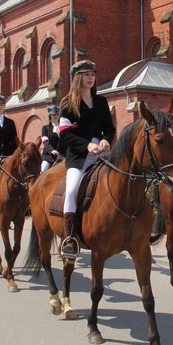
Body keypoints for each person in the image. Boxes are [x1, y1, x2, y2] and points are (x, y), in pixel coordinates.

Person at [58, 59, 115, 257]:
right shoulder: (67, 103)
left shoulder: (101, 101)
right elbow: (64, 133)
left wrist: (106, 140)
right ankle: (69, 237)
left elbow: (109, 127)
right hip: (79, 156)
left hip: (102, 153)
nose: (90, 78)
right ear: (78, 77)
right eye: (86, 74)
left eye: (92, 74)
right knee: (72, 189)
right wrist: (86, 144)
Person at [40, 105, 65, 173]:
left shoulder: (63, 127)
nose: (55, 116)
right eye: (53, 114)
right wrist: (52, 150)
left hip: (61, 155)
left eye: (57, 114)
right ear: (50, 116)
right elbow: (45, 141)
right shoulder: (45, 128)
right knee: (43, 170)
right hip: (49, 156)